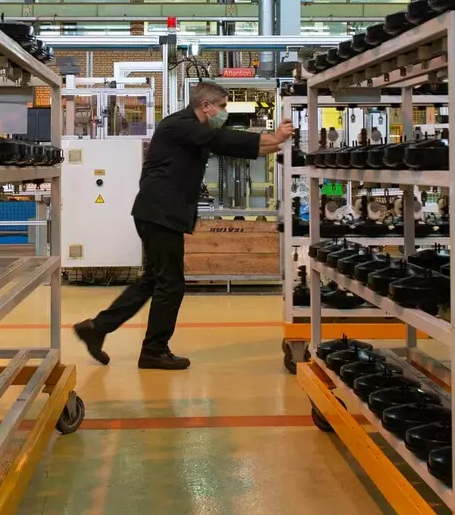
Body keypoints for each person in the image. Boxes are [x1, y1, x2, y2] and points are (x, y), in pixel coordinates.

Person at [73, 81, 293, 370]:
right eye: (222, 106)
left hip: (159, 213)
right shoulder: (180, 125)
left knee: (154, 279)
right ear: (206, 106)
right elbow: (222, 139)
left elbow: (239, 148)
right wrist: (274, 136)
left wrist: (280, 142)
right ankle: (153, 350)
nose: (224, 112)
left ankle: (97, 328)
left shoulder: (193, 131)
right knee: (171, 284)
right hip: (160, 213)